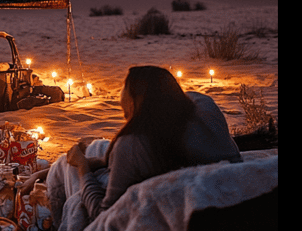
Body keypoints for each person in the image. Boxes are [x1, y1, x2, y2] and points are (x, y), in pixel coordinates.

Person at [20, 65, 241, 230]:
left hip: (158, 207)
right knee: (97, 148)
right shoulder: (202, 108)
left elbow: (103, 214)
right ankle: (42, 177)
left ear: (136, 102)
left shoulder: (133, 144)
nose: (120, 101)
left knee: (67, 168)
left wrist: (82, 167)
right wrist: (102, 161)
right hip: (200, 194)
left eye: (124, 94)